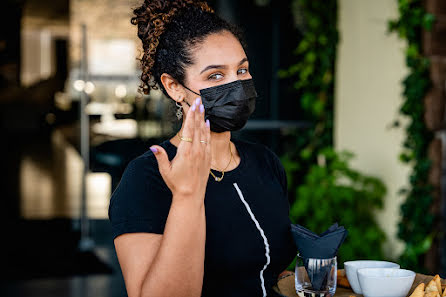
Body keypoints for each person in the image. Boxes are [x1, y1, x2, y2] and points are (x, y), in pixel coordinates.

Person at [108, 1, 296, 296]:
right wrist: (187, 194)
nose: (237, 85)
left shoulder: (265, 162)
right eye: (215, 76)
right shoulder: (147, 179)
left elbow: (268, 270)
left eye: (242, 70)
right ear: (174, 87)